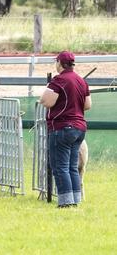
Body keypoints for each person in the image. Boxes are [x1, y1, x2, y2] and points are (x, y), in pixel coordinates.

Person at [39, 50, 92, 208]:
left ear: (60, 63)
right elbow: (87, 105)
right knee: (72, 167)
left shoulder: (59, 80)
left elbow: (46, 101)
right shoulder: (81, 81)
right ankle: (75, 200)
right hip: (79, 129)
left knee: (60, 167)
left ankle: (65, 203)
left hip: (62, 128)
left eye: (56, 62)